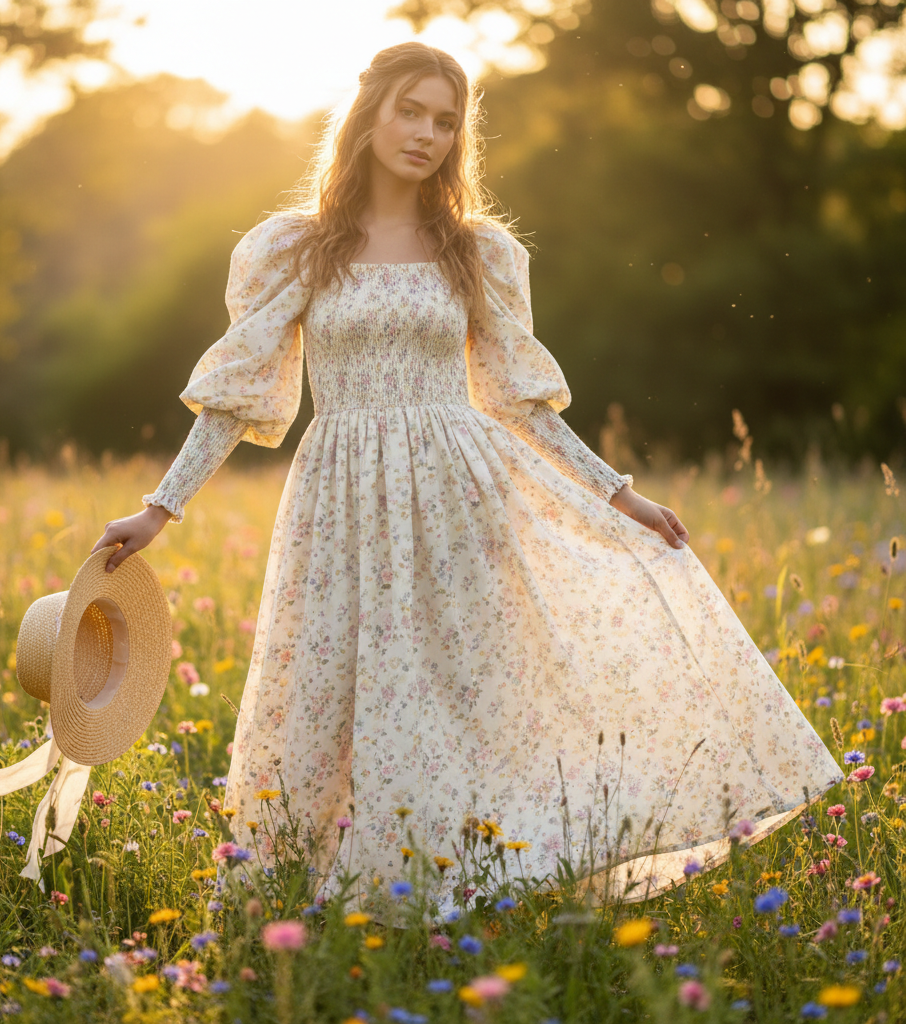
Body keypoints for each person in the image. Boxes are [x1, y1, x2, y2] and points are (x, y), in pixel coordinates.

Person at [91, 42, 841, 914]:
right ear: (369, 113)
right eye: (411, 110)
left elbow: (522, 406)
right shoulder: (295, 248)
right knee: (330, 690)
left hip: (460, 493)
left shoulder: (475, 251)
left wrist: (618, 493)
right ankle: (333, 883)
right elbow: (233, 398)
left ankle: (459, 889)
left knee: (465, 693)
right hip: (340, 498)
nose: (427, 134)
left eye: (447, 120)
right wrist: (161, 509)